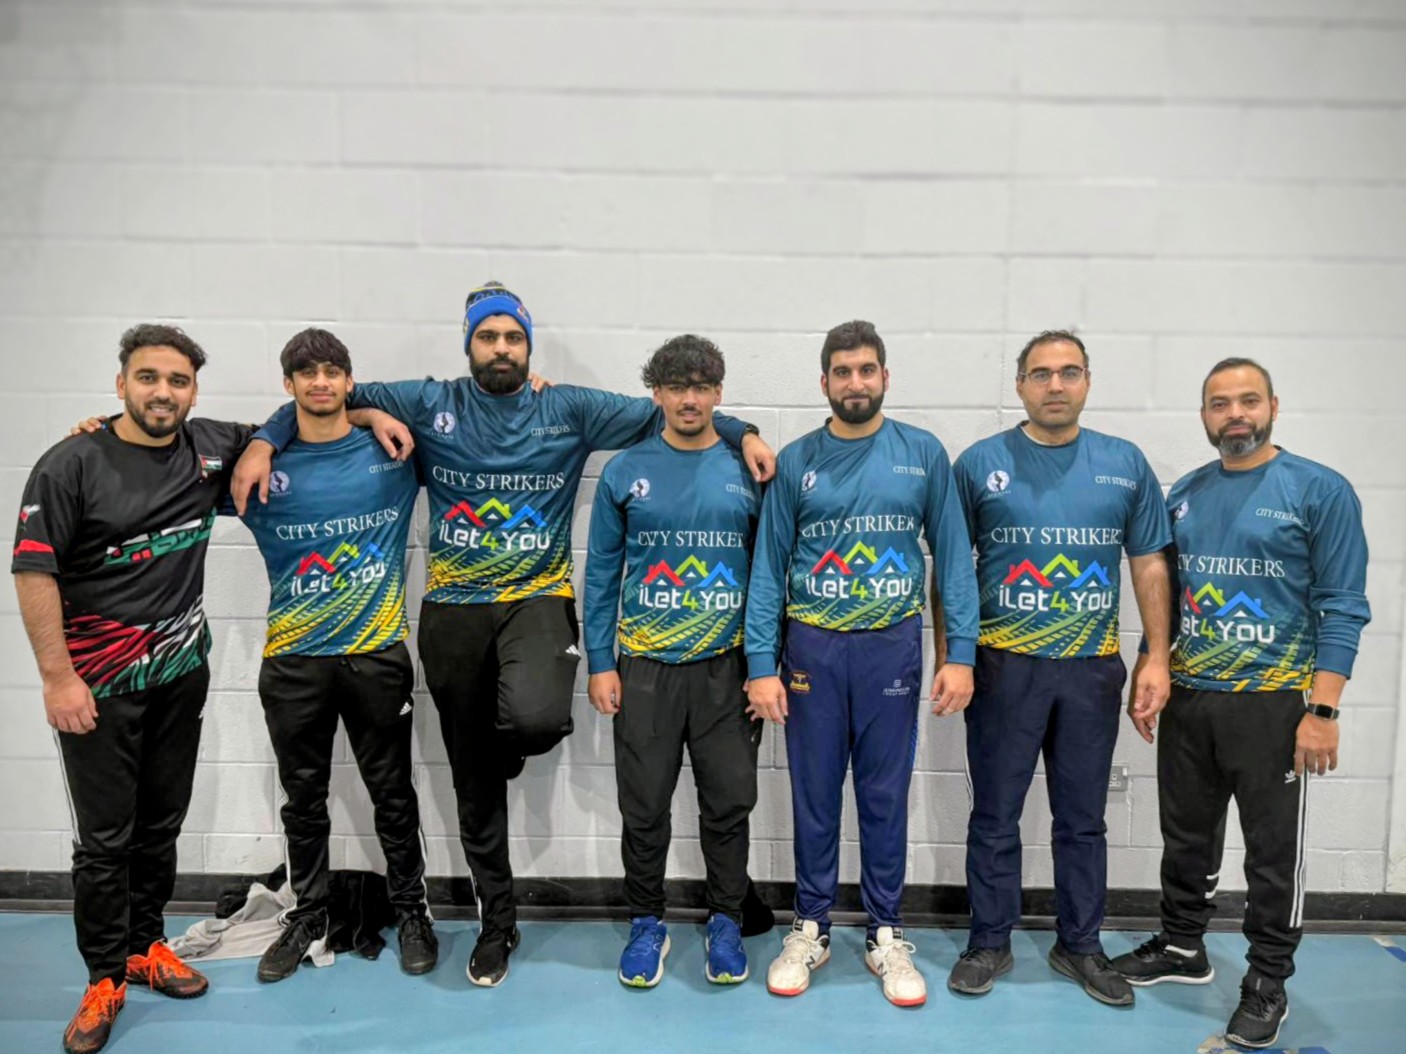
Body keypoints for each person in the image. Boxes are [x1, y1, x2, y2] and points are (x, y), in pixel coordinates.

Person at [232, 282, 775, 987]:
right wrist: (264, 439)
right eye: (487, 337)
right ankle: (498, 921)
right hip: (454, 605)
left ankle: (513, 747)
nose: (500, 349)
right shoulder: (429, 402)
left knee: (538, 717)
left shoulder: (569, 406)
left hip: (538, 597)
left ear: (528, 344)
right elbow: (326, 393)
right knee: (472, 783)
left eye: (512, 337)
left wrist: (746, 431)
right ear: (469, 344)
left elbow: (674, 412)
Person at [1110, 357, 1371, 1050]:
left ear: (1273, 406)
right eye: (1220, 403)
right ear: (1203, 415)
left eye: (1247, 401)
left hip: (1276, 706)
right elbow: (1165, 594)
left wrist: (1323, 712)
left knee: (1271, 856)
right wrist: (1149, 668)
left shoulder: (1319, 491)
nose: (1234, 414)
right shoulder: (1187, 493)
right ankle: (1181, 946)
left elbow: (1344, 606)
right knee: (1186, 839)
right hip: (1192, 701)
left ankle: (1267, 981)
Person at [12, 326, 251, 1054]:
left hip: (181, 672)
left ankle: (146, 946)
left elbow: (294, 425)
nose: (163, 392)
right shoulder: (70, 463)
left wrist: (363, 415)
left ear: (194, 391)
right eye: (148, 377)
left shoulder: (208, 449)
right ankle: (102, 978)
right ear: (120, 384)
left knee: (160, 824)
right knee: (106, 840)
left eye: (178, 381)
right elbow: (32, 573)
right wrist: (58, 678)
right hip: (97, 685)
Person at [744, 320, 978, 1008]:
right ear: (824, 382)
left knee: (882, 798)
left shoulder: (922, 455)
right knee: (814, 796)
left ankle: (885, 932)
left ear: (885, 376)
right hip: (811, 649)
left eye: (866, 370)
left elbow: (954, 559)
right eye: (842, 372)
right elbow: (768, 568)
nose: (855, 382)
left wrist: (959, 654)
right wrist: (762, 664)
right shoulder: (795, 461)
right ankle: (810, 926)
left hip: (890, 647)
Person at [946, 331, 1171, 1006]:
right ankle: (989, 940)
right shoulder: (980, 463)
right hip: (1003, 667)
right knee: (995, 813)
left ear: (1087, 382)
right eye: (1040, 374)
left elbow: (1150, 563)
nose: (1054, 385)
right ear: (1019, 385)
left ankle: (1080, 944)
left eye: (1068, 372)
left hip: (1091, 670)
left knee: (1082, 819)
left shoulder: (1124, 464)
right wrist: (954, 654)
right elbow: (953, 569)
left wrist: (1155, 656)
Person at [239, 328, 437, 983]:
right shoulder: (258, 462)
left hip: (376, 655)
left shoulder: (393, 450)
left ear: (349, 382)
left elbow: (477, 420)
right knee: (303, 800)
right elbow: (163, 449)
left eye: (332, 371)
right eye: (305, 372)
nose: (319, 382)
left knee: (393, 795)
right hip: (294, 660)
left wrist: (373, 413)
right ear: (288, 384)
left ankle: (412, 910)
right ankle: (309, 915)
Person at [583, 335, 762, 988]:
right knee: (645, 806)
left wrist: (764, 664)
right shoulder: (626, 471)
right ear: (655, 394)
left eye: (702, 385)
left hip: (726, 669)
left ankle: (724, 921)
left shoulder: (748, 470)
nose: (690, 399)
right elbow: (602, 572)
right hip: (645, 669)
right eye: (675, 386)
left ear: (719, 391)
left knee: (728, 803)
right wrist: (601, 662)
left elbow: (769, 576)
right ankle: (646, 923)